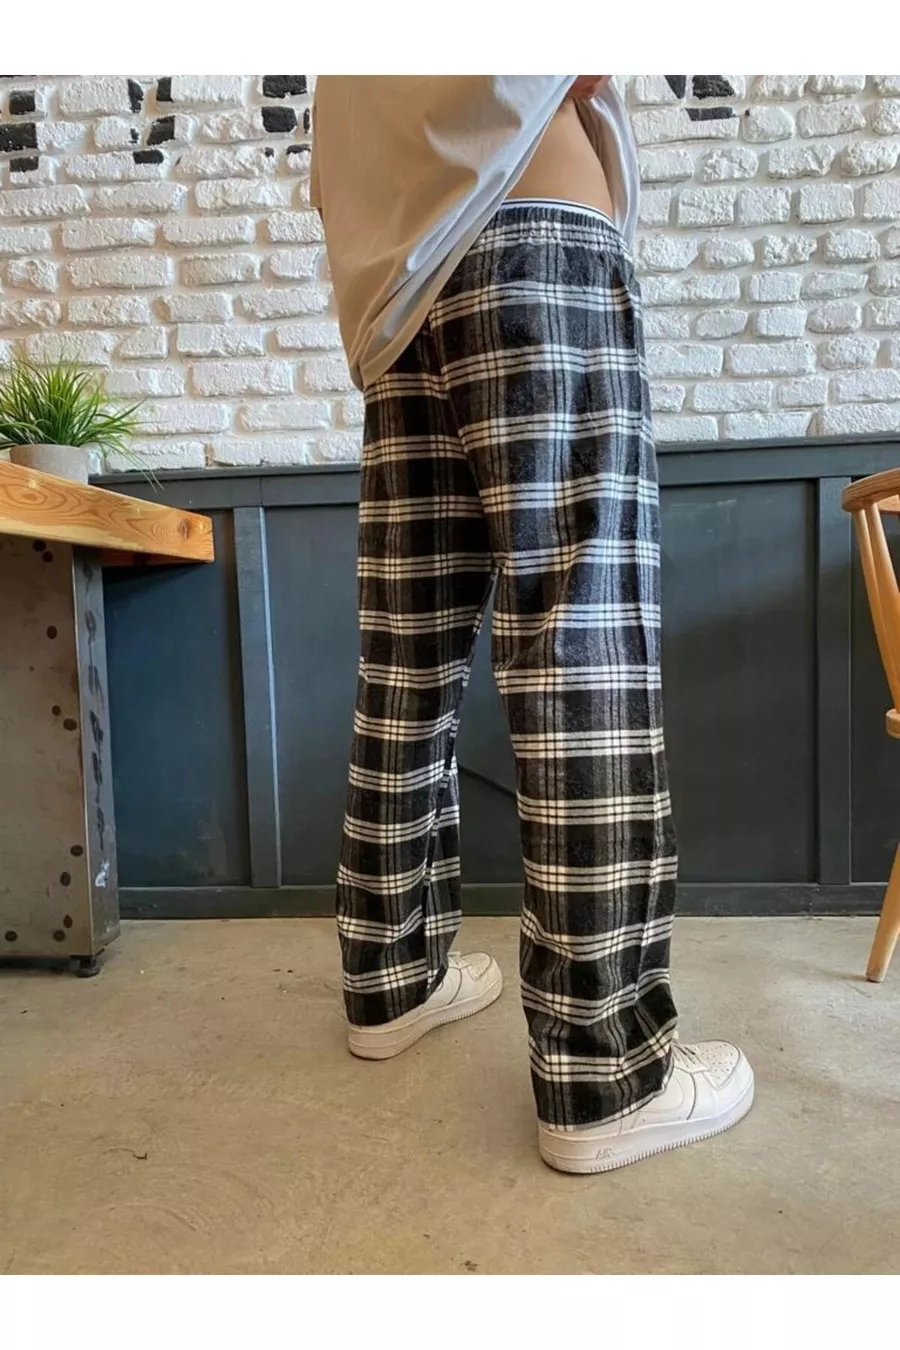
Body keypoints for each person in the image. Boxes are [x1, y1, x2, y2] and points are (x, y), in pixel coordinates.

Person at [310, 76, 754, 1174]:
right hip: (537, 237)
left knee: (405, 663)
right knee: (582, 648)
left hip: (397, 293)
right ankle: (607, 1077)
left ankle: (390, 979)